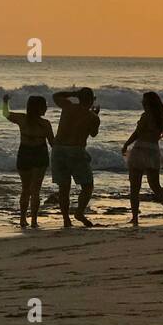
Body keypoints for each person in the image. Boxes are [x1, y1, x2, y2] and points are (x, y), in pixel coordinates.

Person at [122, 91, 163, 225]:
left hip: (140, 151)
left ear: (148, 103)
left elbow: (137, 133)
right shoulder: (161, 117)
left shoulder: (146, 116)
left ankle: (135, 218)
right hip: (153, 151)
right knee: (156, 185)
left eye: (144, 101)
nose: (142, 102)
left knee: (135, 187)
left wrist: (127, 143)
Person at [1, 93, 54, 228]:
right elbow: (53, 143)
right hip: (39, 154)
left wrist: (5, 101)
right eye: (45, 106)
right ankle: (34, 221)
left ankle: (23, 219)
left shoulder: (22, 119)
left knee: (25, 189)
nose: (47, 108)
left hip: (24, 153)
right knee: (36, 190)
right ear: (40, 108)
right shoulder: (45, 124)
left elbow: (5, 114)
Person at [51, 87, 101, 228]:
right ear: (91, 101)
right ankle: (79, 212)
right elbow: (93, 134)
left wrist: (73, 94)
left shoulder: (68, 107)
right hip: (76, 150)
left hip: (58, 149)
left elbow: (55, 95)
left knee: (64, 188)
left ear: (79, 98)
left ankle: (66, 219)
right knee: (87, 185)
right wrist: (96, 116)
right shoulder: (93, 117)